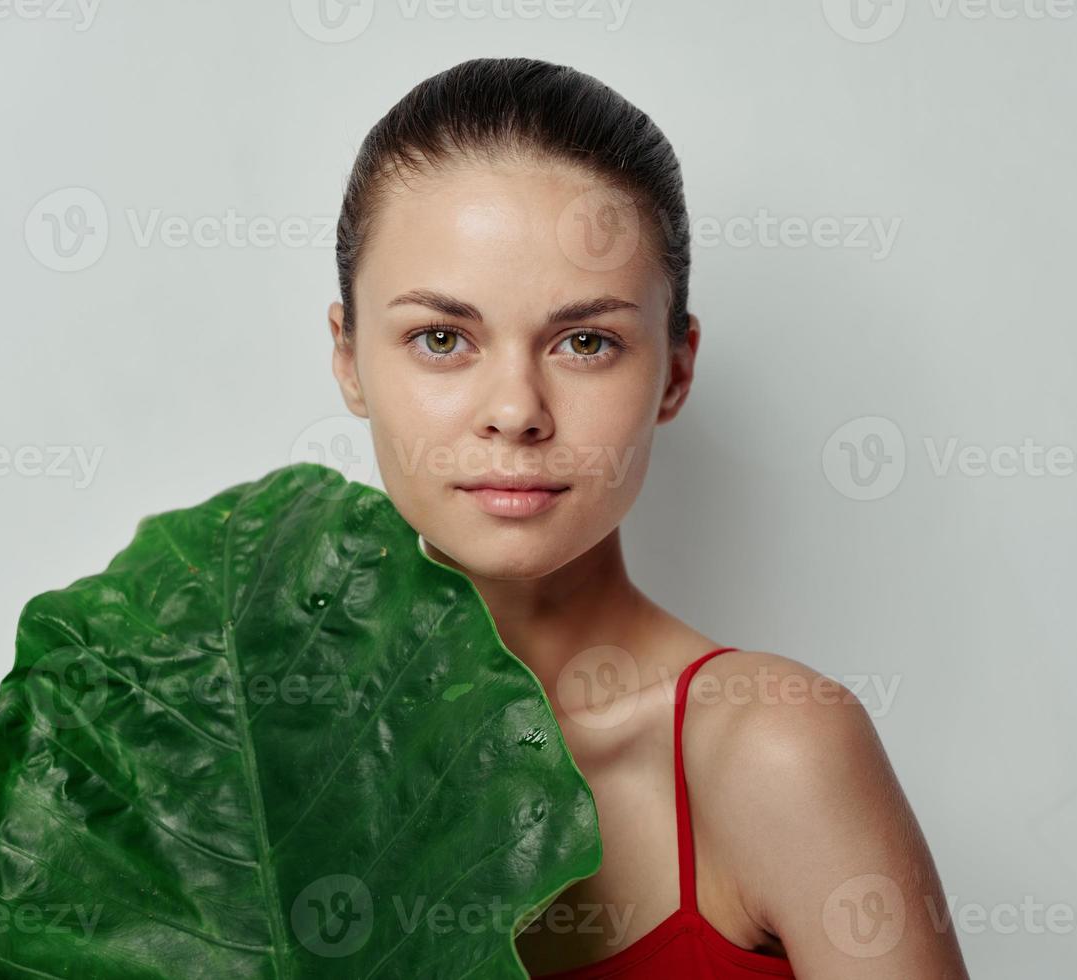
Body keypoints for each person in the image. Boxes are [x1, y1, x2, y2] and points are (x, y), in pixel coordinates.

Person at [327, 56, 969, 979]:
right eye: (442, 338)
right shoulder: (244, 744)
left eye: (585, 342)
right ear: (349, 360)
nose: (515, 409)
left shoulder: (776, 750)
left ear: (674, 369)